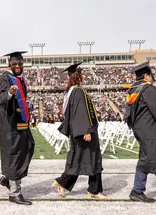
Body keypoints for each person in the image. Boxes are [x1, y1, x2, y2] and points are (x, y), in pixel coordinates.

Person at [53, 62, 107, 200]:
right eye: (82, 74)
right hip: (84, 132)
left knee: (84, 160)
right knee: (89, 159)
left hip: (80, 132)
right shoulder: (77, 91)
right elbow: (80, 113)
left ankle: (65, 183)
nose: (84, 76)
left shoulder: (72, 92)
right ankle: (92, 190)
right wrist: (86, 131)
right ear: (77, 76)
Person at [0, 51, 35, 205]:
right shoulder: (6, 77)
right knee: (15, 155)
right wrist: (10, 94)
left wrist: (28, 104)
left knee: (29, 146)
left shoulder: (21, 79)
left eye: (19, 63)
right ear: (10, 65)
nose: (17, 66)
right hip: (11, 125)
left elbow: (22, 100)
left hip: (21, 122)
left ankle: (8, 178)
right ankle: (14, 193)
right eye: (14, 64)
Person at [125, 61, 156, 203]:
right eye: (152, 75)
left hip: (142, 130)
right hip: (151, 131)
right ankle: (137, 190)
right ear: (146, 76)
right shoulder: (149, 91)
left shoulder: (133, 90)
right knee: (148, 159)